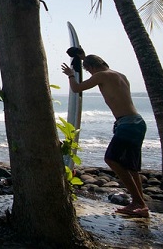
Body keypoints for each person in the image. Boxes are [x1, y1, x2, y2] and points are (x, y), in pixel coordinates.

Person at [61, 54, 149, 217]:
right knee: (132, 167)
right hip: (137, 122)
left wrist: (71, 75)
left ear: (92, 68)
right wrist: (83, 56)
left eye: (88, 70)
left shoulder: (101, 75)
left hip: (127, 124)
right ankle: (140, 204)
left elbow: (77, 88)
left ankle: (138, 202)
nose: (89, 73)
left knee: (111, 159)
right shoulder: (119, 75)